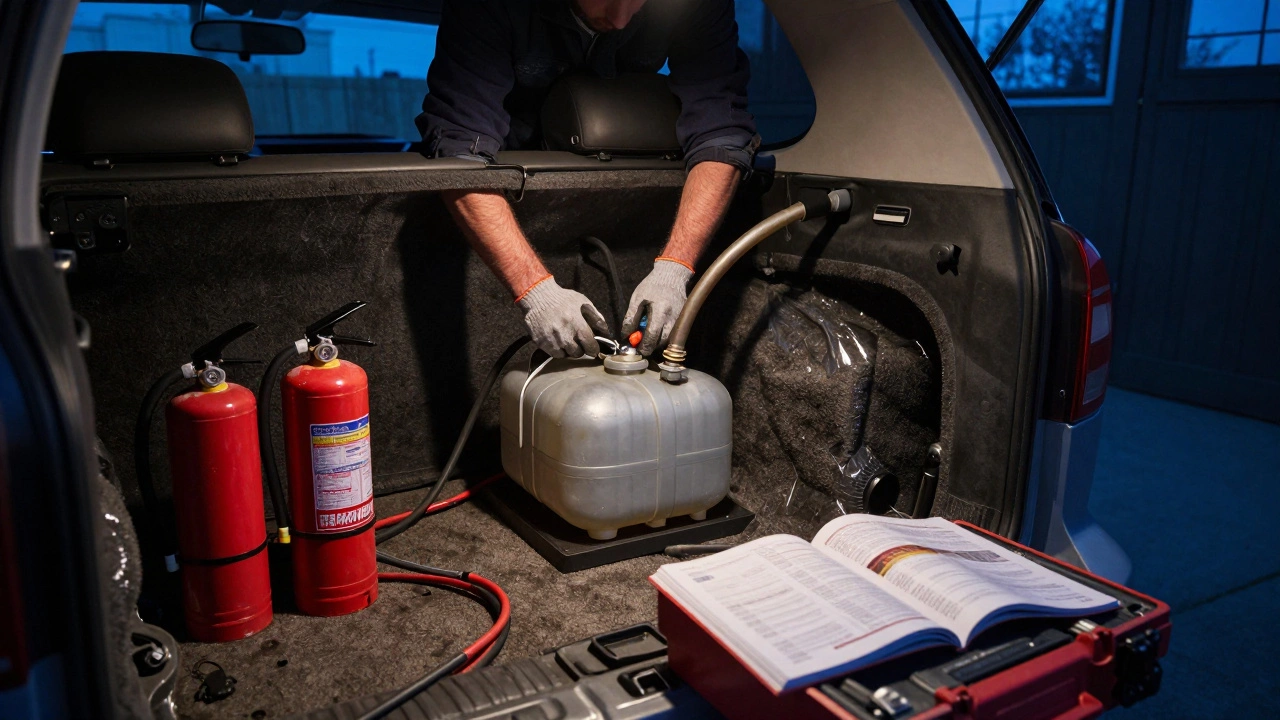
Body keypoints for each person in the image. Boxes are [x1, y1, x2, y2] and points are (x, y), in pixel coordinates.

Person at [418, 0, 758, 359]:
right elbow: (461, 151)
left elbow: (720, 133)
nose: (621, 19)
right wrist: (536, 292)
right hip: (493, 219)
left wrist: (675, 269)